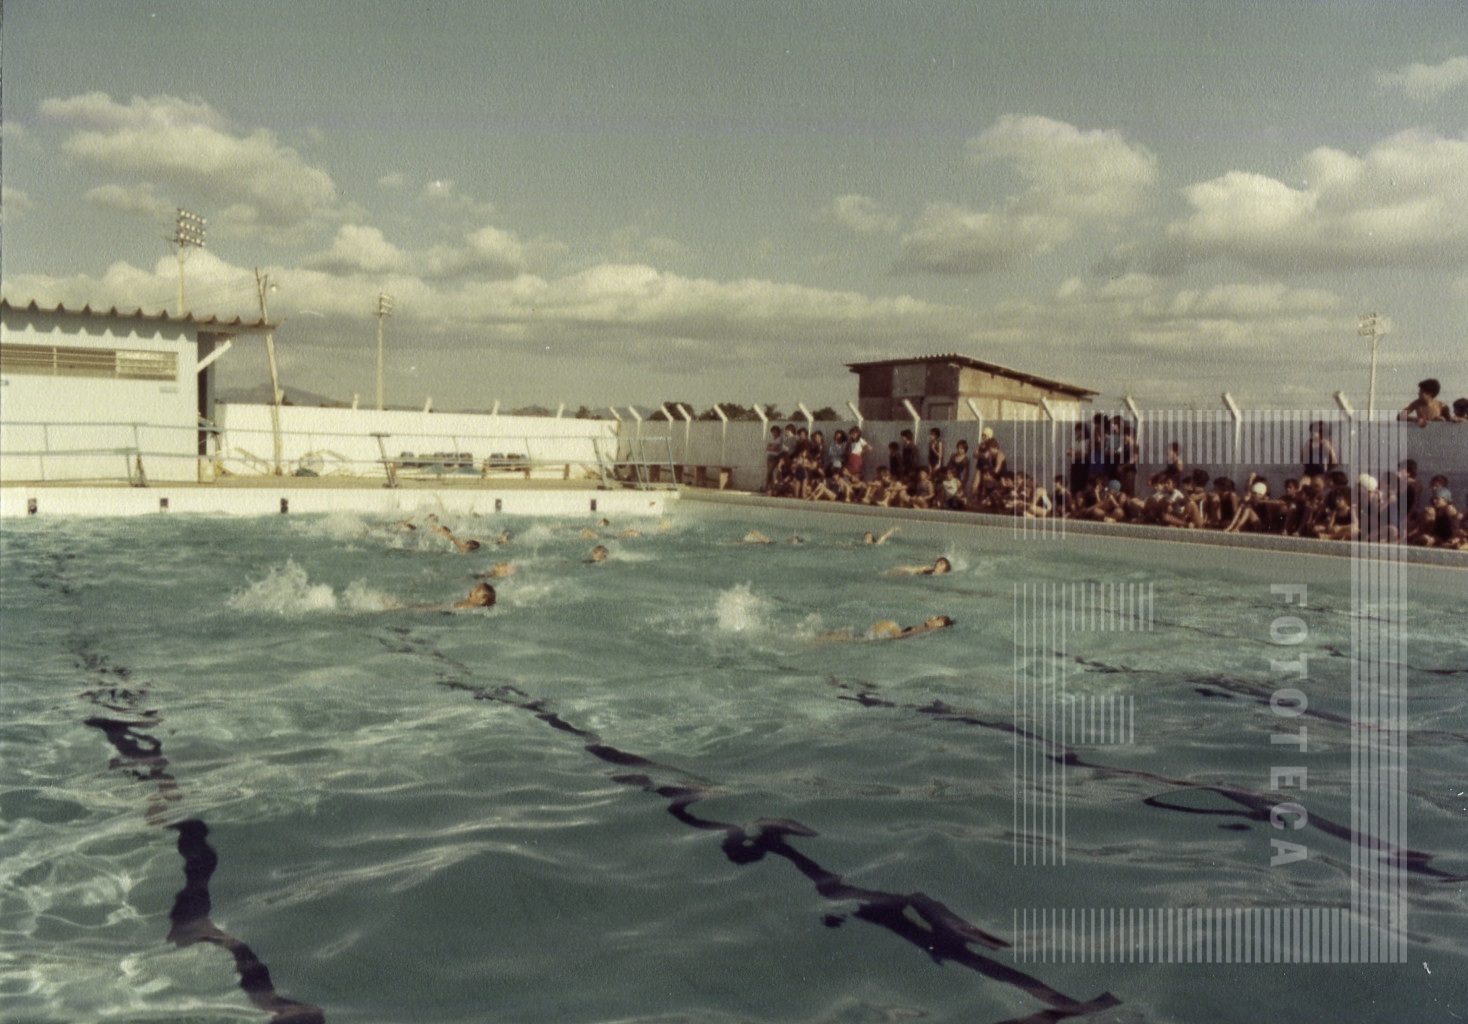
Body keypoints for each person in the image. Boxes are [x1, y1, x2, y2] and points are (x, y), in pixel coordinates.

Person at [886, 556, 952, 576]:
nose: (938, 563)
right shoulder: (927, 568)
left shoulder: (941, 576)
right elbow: (912, 569)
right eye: (938, 562)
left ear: (945, 569)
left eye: (941, 563)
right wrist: (899, 568)